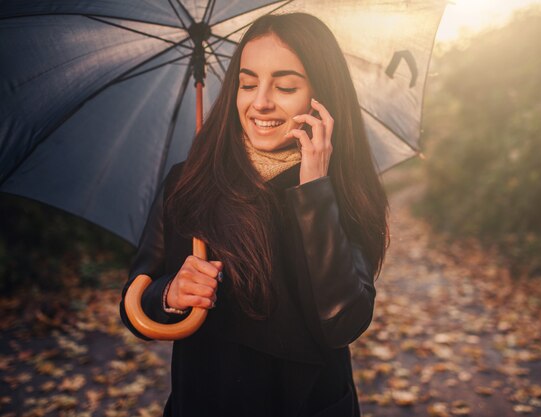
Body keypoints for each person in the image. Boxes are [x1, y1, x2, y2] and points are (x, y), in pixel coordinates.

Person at [120, 12, 388, 417]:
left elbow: (344, 322)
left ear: (322, 95)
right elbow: (133, 302)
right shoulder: (188, 183)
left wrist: (315, 189)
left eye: (285, 86)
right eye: (247, 84)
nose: (260, 101)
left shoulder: (343, 189)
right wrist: (172, 294)